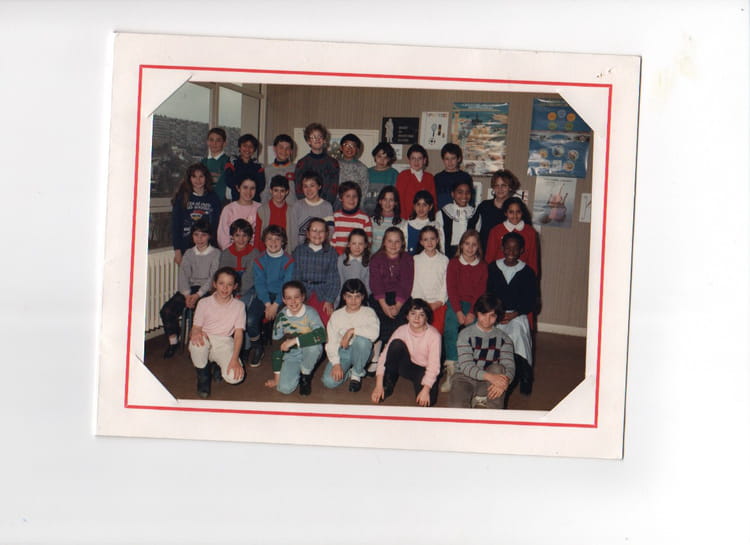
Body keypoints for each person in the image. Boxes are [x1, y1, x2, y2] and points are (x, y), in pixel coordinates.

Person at [160, 219, 221, 359]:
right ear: (192, 236)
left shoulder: (216, 253)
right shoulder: (188, 253)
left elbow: (213, 278)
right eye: (196, 235)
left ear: (209, 236)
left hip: (207, 290)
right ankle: (173, 342)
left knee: (199, 313)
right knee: (167, 310)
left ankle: (197, 345)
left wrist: (198, 295)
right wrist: (187, 295)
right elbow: (183, 276)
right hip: (189, 290)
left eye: (203, 235)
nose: (199, 239)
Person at [486, 232, 538, 395]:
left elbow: (532, 301)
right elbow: (487, 295)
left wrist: (514, 314)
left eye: (515, 249)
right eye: (508, 248)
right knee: (493, 337)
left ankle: (524, 375)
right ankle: (492, 375)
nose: (511, 252)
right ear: (502, 248)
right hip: (495, 313)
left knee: (517, 335)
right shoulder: (493, 268)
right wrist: (497, 313)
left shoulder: (527, 272)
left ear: (521, 250)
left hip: (517, 314)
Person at [370, 298, 441, 407]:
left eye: (421, 315)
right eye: (413, 313)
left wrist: (426, 389)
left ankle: (421, 385)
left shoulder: (434, 336)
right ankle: (388, 383)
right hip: (405, 366)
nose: (417, 318)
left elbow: (434, 366)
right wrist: (378, 385)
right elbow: (384, 356)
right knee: (396, 344)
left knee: (428, 402)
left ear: (426, 318)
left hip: (423, 369)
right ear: (407, 316)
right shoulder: (401, 330)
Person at [188, 267, 247, 398]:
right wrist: (196, 333)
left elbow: (238, 335)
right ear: (214, 284)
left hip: (224, 342)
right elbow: (196, 327)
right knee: (197, 344)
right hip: (206, 338)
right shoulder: (203, 303)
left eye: (229, 284)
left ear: (235, 286)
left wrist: (235, 359)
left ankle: (218, 366)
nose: (225, 288)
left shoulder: (239, 306)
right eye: (221, 283)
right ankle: (203, 376)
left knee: (235, 377)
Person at [449, 293, 515, 409]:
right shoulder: (465, 334)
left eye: (492, 316)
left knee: (498, 370)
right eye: (483, 314)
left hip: (488, 382)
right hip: (464, 378)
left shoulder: (505, 339)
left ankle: (492, 410)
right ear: (477, 313)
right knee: (457, 408)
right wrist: (492, 378)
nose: (487, 320)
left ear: (497, 317)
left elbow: (509, 366)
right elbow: (466, 366)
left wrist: (504, 382)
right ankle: (473, 397)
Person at [442, 229, 488, 392]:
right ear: (461, 245)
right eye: (467, 244)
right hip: (456, 303)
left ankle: (469, 370)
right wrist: (458, 311)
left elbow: (480, 292)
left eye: (474, 245)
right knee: (450, 327)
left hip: (474, 305)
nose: (470, 248)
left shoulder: (482, 266)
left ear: (478, 247)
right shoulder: (454, 263)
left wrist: (471, 312)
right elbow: (452, 288)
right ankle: (452, 368)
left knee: (475, 331)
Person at [265, 280, 326, 396]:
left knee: (314, 347)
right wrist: (277, 378)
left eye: (296, 297)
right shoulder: (281, 316)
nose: (293, 301)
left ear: (303, 297)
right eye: (288, 298)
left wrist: (295, 340)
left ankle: (305, 375)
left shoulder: (311, 312)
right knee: (284, 388)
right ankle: (297, 370)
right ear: (283, 300)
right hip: (292, 355)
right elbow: (276, 347)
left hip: (308, 351)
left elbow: (322, 335)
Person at [218, 219, 265, 367]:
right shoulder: (226, 253)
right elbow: (222, 276)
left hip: (251, 290)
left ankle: (252, 346)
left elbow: (250, 278)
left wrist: (237, 294)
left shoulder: (255, 253)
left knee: (244, 315)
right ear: (232, 236)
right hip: (229, 290)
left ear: (250, 237)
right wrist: (229, 293)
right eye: (237, 235)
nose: (241, 239)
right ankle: (229, 347)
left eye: (245, 235)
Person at [321, 279, 380, 392]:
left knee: (362, 340)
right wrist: (336, 363)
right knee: (329, 382)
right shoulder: (336, 315)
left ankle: (356, 374)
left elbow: (374, 333)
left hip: (362, 352)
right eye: (349, 296)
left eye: (357, 296)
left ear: (362, 297)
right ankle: (348, 372)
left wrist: (351, 331)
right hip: (342, 352)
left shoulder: (369, 312)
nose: (353, 301)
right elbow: (331, 342)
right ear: (344, 297)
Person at [369, 226, 414, 345]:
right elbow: (376, 283)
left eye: (397, 241)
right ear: (384, 242)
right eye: (390, 241)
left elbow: (406, 283)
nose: (393, 245)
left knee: (400, 324)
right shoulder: (376, 259)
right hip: (381, 297)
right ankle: (382, 346)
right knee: (382, 323)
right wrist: (384, 305)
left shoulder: (407, 259)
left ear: (402, 243)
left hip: (401, 297)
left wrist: (398, 306)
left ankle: (399, 347)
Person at [291, 217, 340, 327]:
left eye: (321, 231)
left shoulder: (331, 253)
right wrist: (297, 297)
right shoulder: (299, 251)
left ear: (326, 234)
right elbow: (295, 278)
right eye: (314, 230)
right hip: (303, 293)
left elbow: (334, 280)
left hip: (323, 294)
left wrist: (329, 300)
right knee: (301, 322)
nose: (317, 234)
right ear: (308, 233)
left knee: (325, 322)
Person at [170, 163, 221, 265]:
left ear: (206, 178)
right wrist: (177, 251)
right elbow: (176, 226)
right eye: (194, 176)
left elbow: (216, 225)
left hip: (208, 248)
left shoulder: (213, 198)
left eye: (201, 176)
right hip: (186, 248)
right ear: (189, 178)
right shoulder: (182, 197)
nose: (198, 180)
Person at [469, 169, 522, 254]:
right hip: (484, 251)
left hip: (507, 254)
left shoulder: (515, 209)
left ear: (510, 187)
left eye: (504, 185)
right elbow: (471, 228)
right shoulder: (484, 206)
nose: (500, 189)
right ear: (493, 187)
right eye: (497, 185)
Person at [484, 196, 539, 275]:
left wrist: (532, 278)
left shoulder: (530, 232)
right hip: (499, 273)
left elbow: (532, 260)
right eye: (511, 212)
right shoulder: (495, 231)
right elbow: (489, 258)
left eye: (518, 212)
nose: (515, 216)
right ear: (505, 213)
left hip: (521, 275)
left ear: (522, 213)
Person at [253, 225, 295, 325]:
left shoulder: (289, 261)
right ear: (264, 241)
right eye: (269, 239)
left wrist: (275, 305)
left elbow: (287, 286)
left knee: (280, 321)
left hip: (282, 296)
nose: (273, 242)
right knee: (251, 320)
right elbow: (259, 284)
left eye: (277, 239)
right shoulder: (259, 260)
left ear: (283, 242)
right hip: (264, 295)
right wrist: (268, 305)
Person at [411, 226, 448, 334]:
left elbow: (446, 284)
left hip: (438, 304)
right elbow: (415, 283)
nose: (429, 242)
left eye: (432, 238)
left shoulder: (444, 260)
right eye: (426, 239)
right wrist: (422, 303)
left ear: (437, 240)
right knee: (419, 332)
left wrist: (439, 302)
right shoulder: (416, 260)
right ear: (421, 242)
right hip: (420, 304)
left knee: (436, 333)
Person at [286, 171, 334, 252]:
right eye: (305, 186)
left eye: (312, 186)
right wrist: (294, 251)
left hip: (320, 251)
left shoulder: (327, 207)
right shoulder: (297, 206)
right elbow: (292, 232)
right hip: (300, 251)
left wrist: (323, 249)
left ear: (319, 186)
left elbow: (330, 231)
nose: (309, 190)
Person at [293, 122, 339, 204]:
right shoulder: (302, 163)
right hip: (306, 206)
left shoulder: (333, 163)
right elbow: (298, 188)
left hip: (326, 205)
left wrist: (324, 204)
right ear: (308, 141)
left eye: (320, 136)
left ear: (324, 140)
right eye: (313, 137)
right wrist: (308, 204)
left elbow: (334, 188)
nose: (317, 139)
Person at [216, 177, 265, 251]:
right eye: (245, 187)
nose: (248, 192)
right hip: (232, 253)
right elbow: (222, 237)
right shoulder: (229, 209)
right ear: (238, 188)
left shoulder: (261, 209)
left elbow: (264, 234)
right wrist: (233, 253)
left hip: (255, 253)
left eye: (252, 188)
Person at [436, 178, 476, 258]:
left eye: (467, 192)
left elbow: (476, 239)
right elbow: (440, 238)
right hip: (447, 254)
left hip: (469, 254)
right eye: (460, 192)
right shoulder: (443, 213)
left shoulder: (474, 214)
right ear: (453, 194)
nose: (464, 196)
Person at [330, 181, 372, 254]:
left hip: (357, 257)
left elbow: (368, 243)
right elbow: (330, 242)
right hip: (336, 257)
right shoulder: (334, 217)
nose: (351, 199)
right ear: (341, 198)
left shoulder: (365, 219)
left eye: (354, 196)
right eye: (348, 196)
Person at [395, 143, 436, 219]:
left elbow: (433, 200)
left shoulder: (429, 177)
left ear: (424, 160)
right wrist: (403, 219)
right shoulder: (403, 176)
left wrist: (432, 218)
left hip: (425, 219)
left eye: (419, 158)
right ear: (409, 160)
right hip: (407, 218)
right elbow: (400, 200)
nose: (416, 162)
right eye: (413, 158)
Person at [226, 133, 265, 202]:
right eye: (244, 146)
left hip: (254, 202)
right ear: (239, 147)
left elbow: (261, 186)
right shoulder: (232, 162)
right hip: (237, 201)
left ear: (254, 149)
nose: (247, 149)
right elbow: (228, 181)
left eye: (251, 146)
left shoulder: (258, 166)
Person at [401, 190, 443, 255]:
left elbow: (441, 248)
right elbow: (403, 249)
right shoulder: (406, 225)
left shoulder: (436, 225)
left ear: (430, 207)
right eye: (418, 204)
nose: (421, 208)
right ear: (414, 206)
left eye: (424, 205)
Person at [336, 228, 370, 305]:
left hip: (361, 299)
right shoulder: (341, 260)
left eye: (360, 244)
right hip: (344, 298)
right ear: (348, 244)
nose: (357, 247)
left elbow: (368, 286)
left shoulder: (368, 262)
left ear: (365, 245)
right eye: (354, 243)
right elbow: (339, 282)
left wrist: (361, 299)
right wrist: (339, 300)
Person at [261, 134, 297, 205]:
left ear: (291, 151)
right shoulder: (267, 170)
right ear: (274, 149)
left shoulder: (296, 169)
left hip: (292, 209)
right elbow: (265, 193)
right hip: (273, 209)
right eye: (281, 147)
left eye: (287, 148)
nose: (284, 151)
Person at [434, 143, 474, 209]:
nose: (450, 162)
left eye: (453, 158)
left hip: (461, 213)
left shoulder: (465, 177)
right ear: (443, 160)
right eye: (447, 159)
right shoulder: (437, 178)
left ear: (459, 159)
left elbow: (470, 200)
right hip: (441, 213)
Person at [364, 142, 398, 215]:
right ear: (374, 157)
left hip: (386, 213)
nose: (382, 160)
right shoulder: (366, 172)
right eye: (379, 156)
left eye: (385, 158)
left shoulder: (394, 174)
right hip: (367, 212)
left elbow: (396, 197)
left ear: (389, 159)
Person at [201, 127, 232, 204]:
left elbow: (222, 185)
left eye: (218, 140)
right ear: (207, 142)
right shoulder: (203, 162)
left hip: (221, 202)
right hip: (203, 201)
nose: (214, 143)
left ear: (224, 143)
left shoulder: (229, 162)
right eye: (211, 140)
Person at [337, 133, 369, 204]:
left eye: (353, 146)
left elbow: (364, 190)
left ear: (357, 150)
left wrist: (358, 205)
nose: (349, 148)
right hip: (336, 205)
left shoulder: (362, 168)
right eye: (346, 145)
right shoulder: (334, 165)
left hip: (354, 205)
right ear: (341, 147)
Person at [370, 186, 402, 253]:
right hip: (374, 258)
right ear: (380, 201)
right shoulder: (371, 221)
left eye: (391, 200)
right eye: (385, 199)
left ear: (395, 203)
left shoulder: (402, 223)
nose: (387, 203)